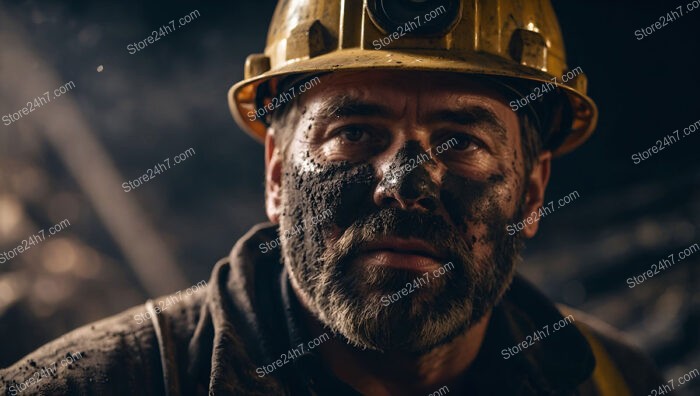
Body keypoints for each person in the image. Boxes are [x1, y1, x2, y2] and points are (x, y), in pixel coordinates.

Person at [1, 1, 664, 395]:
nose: (406, 184)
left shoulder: (611, 381)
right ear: (276, 176)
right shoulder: (98, 385)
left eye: (461, 141)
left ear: (533, 192)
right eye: (354, 132)